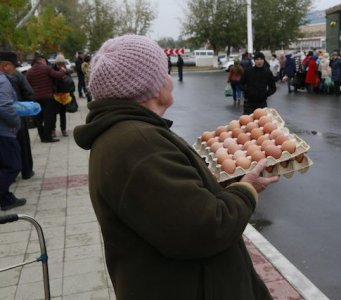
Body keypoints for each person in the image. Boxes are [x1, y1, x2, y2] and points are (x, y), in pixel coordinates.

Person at [73, 34, 279, 300]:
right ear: (153, 87)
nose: (170, 79)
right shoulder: (138, 144)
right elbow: (205, 229)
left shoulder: (130, 135)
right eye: (165, 72)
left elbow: (173, 212)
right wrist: (247, 190)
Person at [0, 51, 27, 210]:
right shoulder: (2, 81)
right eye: (13, 66)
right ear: (5, 65)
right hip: (4, 131)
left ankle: (6, 199)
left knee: (4, 165)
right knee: (13, 165)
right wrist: (16, 122)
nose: (15, 70)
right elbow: (3, 106)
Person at [26, 55, 66, 142]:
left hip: (36, 98)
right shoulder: (46, 68)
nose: (45, 62)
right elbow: (57, 75)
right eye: (44, 61)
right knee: (48, 117)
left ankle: (42, 137)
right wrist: (63, 70)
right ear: (41, 61)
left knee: (39, 118)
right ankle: (48, 137)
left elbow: (27, 85)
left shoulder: (29, 71)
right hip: (47, 97)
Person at [7, 69, 35, 179]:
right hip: (18, 114)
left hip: (3, 120)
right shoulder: (16, 74)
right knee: (23, 144)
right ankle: (26, 171)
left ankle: (10, 175)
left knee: (6, 147)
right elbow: (28, 92)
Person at [52, 54, 75, 137]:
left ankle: (63, 130)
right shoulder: (52, 69)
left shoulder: (65, 69)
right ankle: (53, 130)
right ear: (57, 63)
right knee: (54, 113)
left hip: (64, 94)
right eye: (60, 63)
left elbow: (69, 80)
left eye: (62, 63)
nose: (61, 64)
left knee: (63, 113)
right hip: (55, 94)